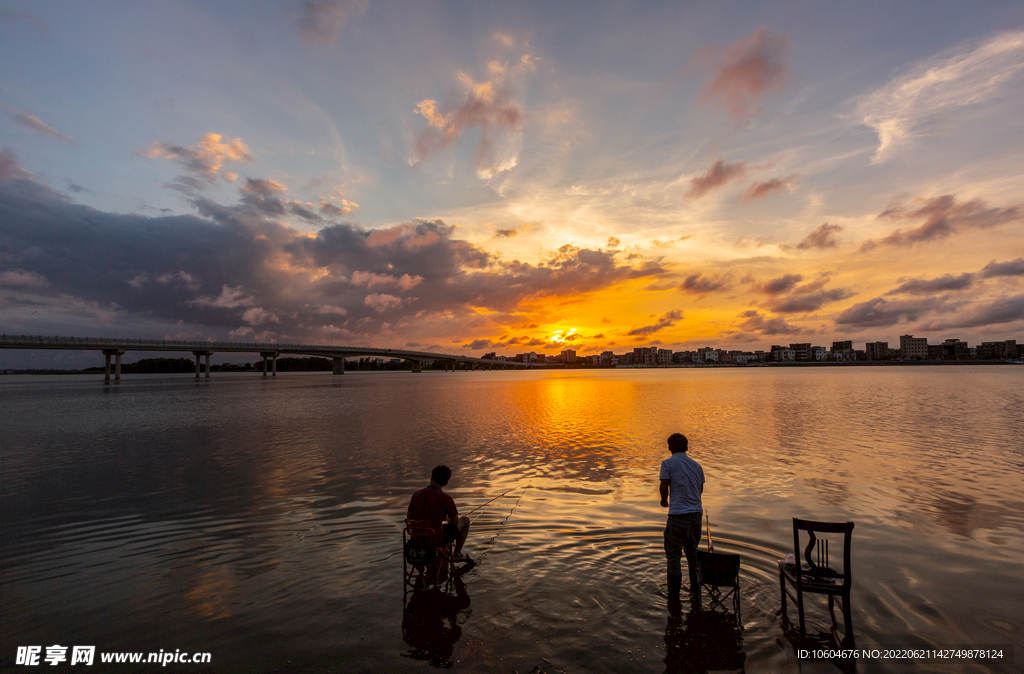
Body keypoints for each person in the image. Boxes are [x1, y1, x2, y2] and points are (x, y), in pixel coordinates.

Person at [659, 433, 704, 601]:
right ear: (686, 447)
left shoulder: (668, 463)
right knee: (692, 555)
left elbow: (664, 485)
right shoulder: (697, 466)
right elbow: (700, 491)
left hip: (677, 516)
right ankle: (695, 591)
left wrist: (664, 501)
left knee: (673, 556)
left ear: (670, 447)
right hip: (696, 517)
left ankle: (673, 595)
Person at [407, 465, 474, 565]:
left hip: (416, 539)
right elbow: (455, 523)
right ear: (446, 483)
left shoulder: (416, 494)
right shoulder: (446, 498)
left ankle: (421, 571)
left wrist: (441, 517)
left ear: (431, 477)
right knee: (465, 520)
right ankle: (457, 554)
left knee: (439, 526)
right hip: (435, 539)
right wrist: (448, 519)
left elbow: (409, 517)